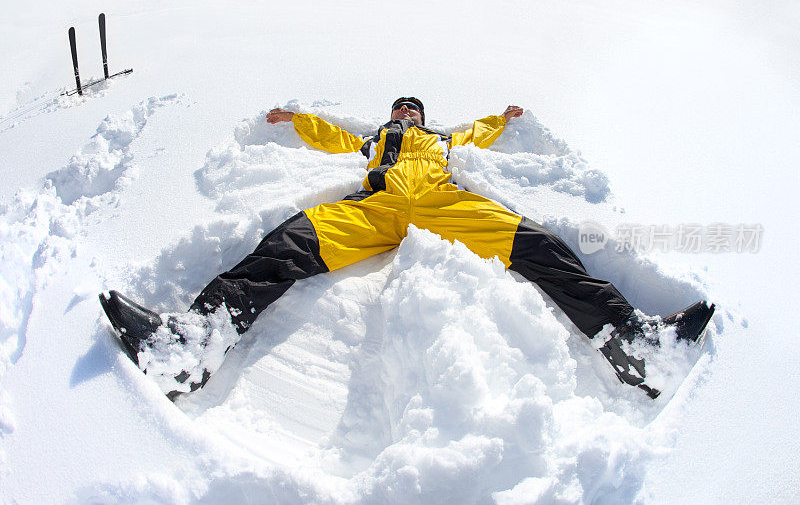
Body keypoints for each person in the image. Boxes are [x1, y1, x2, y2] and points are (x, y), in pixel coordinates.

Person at [100, 97, 714, 400]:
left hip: (448, 205)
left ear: (424, 116)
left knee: (542, 249)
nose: (406, 114)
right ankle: (185, 348)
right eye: (400, 108)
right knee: (284, 245)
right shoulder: (373, 140)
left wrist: (502, 117)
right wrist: (295, 119)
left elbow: (481, 132)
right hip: (376, 207)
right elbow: (331, 133)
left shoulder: (443, 139)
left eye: (413, 109)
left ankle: (634, 346)